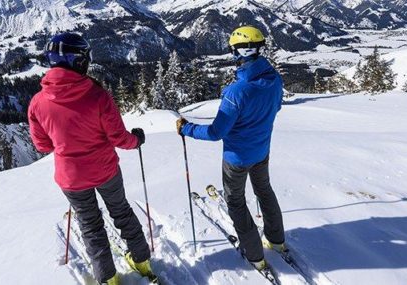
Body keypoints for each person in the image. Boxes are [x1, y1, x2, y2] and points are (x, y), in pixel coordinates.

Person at [27, 32, 152, 285]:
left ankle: (109, 279)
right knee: (122, 213)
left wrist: (65, 141)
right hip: (105, 170)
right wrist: (136, 140)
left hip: (71, 177)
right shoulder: (97, 95)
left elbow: (42, 146)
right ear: (78, 61)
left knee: (91, 226)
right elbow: (118, 138)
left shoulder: (37, 103)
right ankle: (141, 262)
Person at [176, 26, 286, 271]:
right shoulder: (274, 79)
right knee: (264, 192)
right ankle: (277, 241)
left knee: (235, 202)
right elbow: (275, 108)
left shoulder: (236, 92)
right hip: (261, 151)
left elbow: (216, 132)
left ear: (240, 51)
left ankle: (255, 255)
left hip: (236, 158)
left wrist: (187, 129)